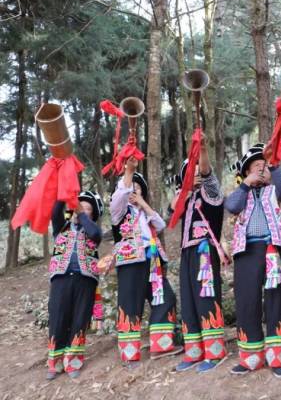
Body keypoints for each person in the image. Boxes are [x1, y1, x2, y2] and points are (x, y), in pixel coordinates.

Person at [225, 143, 281, 378]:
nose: (261, 170)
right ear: (246, 172)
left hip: (275, 248)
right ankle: (250, 356)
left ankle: (277, 356)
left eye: (264, 166)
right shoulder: (241, 194)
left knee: (277, 300)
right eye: (256, 166)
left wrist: (273, 165)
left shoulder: (276, 190)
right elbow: (231, 206)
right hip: (247, 251)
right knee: (247, 300)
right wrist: (246, 183)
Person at [110, 157, 180, 368]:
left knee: (165, 297)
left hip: (152, 262)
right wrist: (128, 174)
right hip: (131, 261)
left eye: (138, 188)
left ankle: (161, 345)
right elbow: (118, 198)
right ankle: (130, 355)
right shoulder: (119, 212)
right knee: (130, 303)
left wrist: (142, 203)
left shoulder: (144, 213)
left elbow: (160, 225)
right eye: (131, 187)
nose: (134, 191)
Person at [171, 139, 227, 374]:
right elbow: (173, 211)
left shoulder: (211, 192)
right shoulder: (186, 198)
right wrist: (185, 191)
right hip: (187, 253)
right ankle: (194, 350)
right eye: (188, 173)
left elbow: (206, 171)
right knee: (189, 300)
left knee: (206, 297)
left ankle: (215, 351)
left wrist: (202, 150)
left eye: (195, 171)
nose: (193, 175)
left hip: (205, 251)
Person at [46, 191, 104, 380]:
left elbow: (94, 232)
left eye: (87, 209)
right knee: (58, 318)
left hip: (85, 280)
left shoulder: (94, 232)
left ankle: (73, 362)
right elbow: (55, 212)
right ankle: (54, 364)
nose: (82, 211)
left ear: (93, 215)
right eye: (79, 207)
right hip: (61, 279)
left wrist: (81, 214)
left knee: (79, 320)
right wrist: (63, 194)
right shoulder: (60, 227)